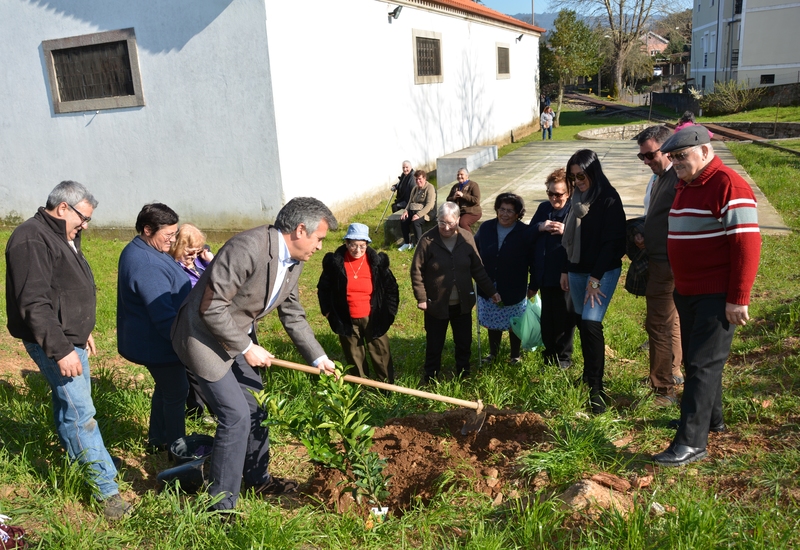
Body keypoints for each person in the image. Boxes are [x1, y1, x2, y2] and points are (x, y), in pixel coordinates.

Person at [171, 197, 338, 512]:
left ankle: (257, 478)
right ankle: (220, 507)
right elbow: (211, 307)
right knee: (235, 417)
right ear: (301, 230)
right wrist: (247, 348)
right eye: (319, 239)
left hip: (237, 334)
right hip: (202, 338)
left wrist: (318, 358)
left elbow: (293, 314)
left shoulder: (294, 261)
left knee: (257, 408)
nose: (319, 247)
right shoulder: (247, 248)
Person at [4, 181, 131, 520]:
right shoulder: (31, 238)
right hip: (52, 341)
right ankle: (106, 492)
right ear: (63, 208)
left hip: (68, 337)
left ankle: (85, 463)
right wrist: (61, 349)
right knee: (80, 413)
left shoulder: (63, 235)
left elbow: (65, 288)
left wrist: (81, 331)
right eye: (83, 218)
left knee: (70, 407)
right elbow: (34, 302)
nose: (86, 225)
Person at [653, 126, 760, 467]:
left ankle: (691, 442)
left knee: (701, 364)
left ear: (704, 150)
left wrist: (738, 297)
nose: (676, 163)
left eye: (681, 156)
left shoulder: (729, 184)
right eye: (672, 158)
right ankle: (710, 420)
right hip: (688, 291)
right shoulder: (687, 182)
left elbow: (746, 244)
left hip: (716, 293)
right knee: (701, 361)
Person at [117, 204, 193, 453]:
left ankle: (158, 439)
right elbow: (162, 317)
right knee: (176, 391)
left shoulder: (143, 248)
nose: (173, 241)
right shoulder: (147, 264)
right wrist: (186, 343)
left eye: (175, 233)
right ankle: (177, 449)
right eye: (168, 235)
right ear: (147, 229)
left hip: (155, 339)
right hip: (159, 342)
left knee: (166, 388)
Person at [561, 150, 626, 414]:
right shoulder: (576, 198)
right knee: (580, 320)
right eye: (573, 176)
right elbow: (569, 240)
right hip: (576, 270)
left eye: (581, 175)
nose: (577, 181)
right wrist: (566, 269)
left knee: (590, 322)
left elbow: (614, 243)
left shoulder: (609, 198)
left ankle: (597, 390)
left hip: (602, 271)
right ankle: (588, 375)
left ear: (593, 171)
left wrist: (595, 279)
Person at [411, 202, 501, 383]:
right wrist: (421, 298)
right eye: (442, 222)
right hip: (436, 303)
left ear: (458, 220)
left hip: (463, 303)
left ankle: (463, 372)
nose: (445, 227)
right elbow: (416, 271)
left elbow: (478, 269)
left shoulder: (467, 238)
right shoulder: (427, 240)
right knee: (434, 343)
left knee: (463, 341)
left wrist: (492, 292)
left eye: (450, 223)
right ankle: (430, 375)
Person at [634, 126, 684, 407]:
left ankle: (663, 390)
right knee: (670, 319)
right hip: (660, 259)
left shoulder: (676, 177)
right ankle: (673, 372)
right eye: (642, 157)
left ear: (667, 149)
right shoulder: (662, 178)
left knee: (658, 324)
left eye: (650, 155)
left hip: (667, 263)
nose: (647, 161)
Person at [317, 223, 399, 383]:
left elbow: (391, 289)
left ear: (367, 245)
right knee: (354, 354)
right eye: (353, 245)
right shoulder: (335, 263)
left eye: (362, 246)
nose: (357, 250)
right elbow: (323, 288)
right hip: (346, 317)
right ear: (346, 243)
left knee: (380, 352)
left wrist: (389, 312)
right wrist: (327, 311)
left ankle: (387, 387)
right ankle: (360, 386)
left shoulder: (377, 264)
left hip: (373, 316)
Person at [474, 193, 534, 364]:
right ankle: (493, 353)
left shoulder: (524, 232)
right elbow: (475, 251)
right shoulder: (486, 228)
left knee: (514, 321)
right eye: (502, 209)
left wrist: (534, 284)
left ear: (517, 214)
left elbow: (534, 261)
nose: (505, 214)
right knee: (493, 320)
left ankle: (515, 354)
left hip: (514, 285)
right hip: (488, 284)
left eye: (510, 211)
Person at [530, 168, 576, 369]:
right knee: (547, 316)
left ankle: (564, 357)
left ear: (568, 193)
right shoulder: (543, 209)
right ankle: (549, 354)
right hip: (545, 272)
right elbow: (528, 233)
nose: (554, 198)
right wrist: (541, 226)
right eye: (550, 193)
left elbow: (585, 238)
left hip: (564, 272)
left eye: (558, 194)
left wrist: (566, 231)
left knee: (564, 316)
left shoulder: (574, 209)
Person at [398, 169, 436, 251]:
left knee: (416, 222)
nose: (418, 181)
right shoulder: (415, 188)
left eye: (420, 179)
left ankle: (419, 245)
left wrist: (418, 215)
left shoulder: (430, 188)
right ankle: (407, 243)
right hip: (413, 210)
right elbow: (410, 201)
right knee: (403, 220)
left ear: (424, 178)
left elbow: (429, 205)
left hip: (426, 212)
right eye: (416, 179)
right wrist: (405, 211)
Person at [169, 223, 215, 287]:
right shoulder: (173, 268)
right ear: (177, 248)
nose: (195, 256)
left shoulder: (203, 259)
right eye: (191, 253)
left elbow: (224, 277)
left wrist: (212, 261)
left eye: (198, 251)